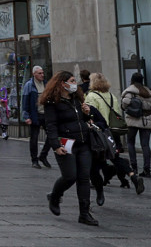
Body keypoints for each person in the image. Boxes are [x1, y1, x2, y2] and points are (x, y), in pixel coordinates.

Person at [42, 70, 98, 225]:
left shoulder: (77, 98)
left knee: (84, 178)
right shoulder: (52, 102)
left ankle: (84, 214)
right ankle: (54, 196)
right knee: (70, 176)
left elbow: (83, 119)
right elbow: (51, 126)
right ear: (62, 83)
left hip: (83, 142)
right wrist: (55, 145)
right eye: (72, 81)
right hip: (66, 142)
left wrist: (87, 114)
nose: (75, 84)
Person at [86, 72, 145, 198]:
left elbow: (90, 115)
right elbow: (117, 112)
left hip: (100, 131)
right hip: (114, 131)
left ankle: (101, 178)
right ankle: (132, 176)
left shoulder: (91, 96)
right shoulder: (112, 96)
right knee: (115, 156)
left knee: (96, 156)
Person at [22, 66, 53, 169]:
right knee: (34, 138)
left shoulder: (46, 84)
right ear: (34, 74)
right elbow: (25, 101)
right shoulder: (29, 85)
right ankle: (34, 160)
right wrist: (26, 116)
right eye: (39, 73)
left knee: (52, 135)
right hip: (35, 115)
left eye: (43, 73)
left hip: (46, 114)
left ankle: (43, 155)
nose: (42, 75)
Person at [121, 72, 151, 177]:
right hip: (146, 121)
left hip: (132, 120)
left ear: (132, 80)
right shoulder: (147, 91)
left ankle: (134, 167)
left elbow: (124, 105)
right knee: (145, 145)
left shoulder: (129, 91)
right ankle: (147, 169)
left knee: (130, 143)